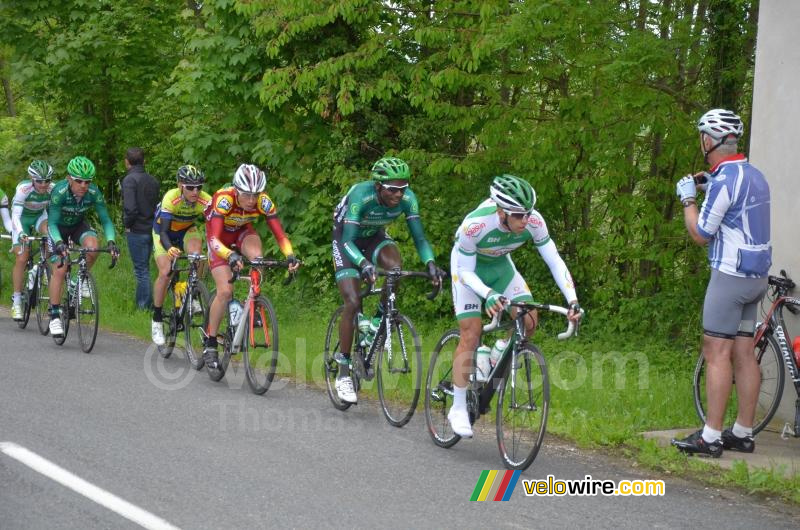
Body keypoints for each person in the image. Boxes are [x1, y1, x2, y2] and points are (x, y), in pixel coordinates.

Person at [447, 174, 582, 438]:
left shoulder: (535, 222)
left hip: (500, 268)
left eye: (528, 213)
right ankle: (458, 406)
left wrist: (572, 299)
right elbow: (465, 272)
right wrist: (487, 294)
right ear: (501, 212)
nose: (525, 220)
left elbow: (554, 260)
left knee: (529, 320)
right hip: (468, 272)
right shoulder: (475, 226)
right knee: (471, 333)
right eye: (518, 215)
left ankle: (495, 354)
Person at [672, 109, 771, 457]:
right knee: (744, 353)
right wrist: (706, 182)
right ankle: (743, 433)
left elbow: (701, 233)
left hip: (729, 279)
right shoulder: (754, 175)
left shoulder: (725, 181)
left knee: (716, 353)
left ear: (708, 140)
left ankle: (710, 437)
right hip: (756, 278)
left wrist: (688, 198)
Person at [330, 156, 445, 404]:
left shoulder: (408, 199)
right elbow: (348, 239)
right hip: (346, 240)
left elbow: (420, 239)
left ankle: (376, 321)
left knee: (395, 268)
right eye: (393, 189)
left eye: (403, 188)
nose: (399, 194)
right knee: (351, 301)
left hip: (374, 237)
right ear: (379, 186)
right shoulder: (362, 195)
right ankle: (343, 372)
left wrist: (431, 264)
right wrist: (363, 264)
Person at [203, 163, 300, 369]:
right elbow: (214, 240)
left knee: (257, 257)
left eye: (255, 195)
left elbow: (280, 235)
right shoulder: (224, 199)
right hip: (219, 239)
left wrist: (290, 256)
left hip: (241, 233)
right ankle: (210, 343)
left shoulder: (263, 202)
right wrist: (229, 256)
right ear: (237, 189)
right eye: (246, 195)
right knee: (225, 291)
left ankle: (253, 301)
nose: (251, 200)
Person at [47, 156, 119, 336]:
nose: (83, 186)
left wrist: (111, 241)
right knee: (60, 267)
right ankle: (55, 315)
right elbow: (52, 223)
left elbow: (106, 221)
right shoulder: (59, 192)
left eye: (87, 182)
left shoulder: (94, 193)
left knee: (93, 247)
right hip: (57, 228)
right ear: (69, 179)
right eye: (79, 181)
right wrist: (58, 243)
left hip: (78, 225)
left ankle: (75, 282)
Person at [150, 165, 211, 346]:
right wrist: (169, 248)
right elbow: (163, 233)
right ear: (180, 185)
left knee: (198, 256)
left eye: (199, 187)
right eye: (190, 187)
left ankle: (191, 293)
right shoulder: (171, 197)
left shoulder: (206, 200)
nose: (195, 191)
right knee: (166, 271)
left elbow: (216, 225)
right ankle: (157, 318)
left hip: (186, 230)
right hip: (164, 232)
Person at [9, 160, 55, 320]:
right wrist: (21, 232)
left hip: (39, 218)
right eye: (39, 181)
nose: (43, 184)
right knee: (22, 257)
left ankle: (40, 267)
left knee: (51, 236)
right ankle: (16, 301)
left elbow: (54, 214)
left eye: (47, 180)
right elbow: (15, 215)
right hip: (21, 220)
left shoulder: (53, 189)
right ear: (31, 178)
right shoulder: (23, 188)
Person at [122, 147, 160, 309]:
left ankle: (144, 306)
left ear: (127, 162)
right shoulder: (153, 180)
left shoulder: (129, 180)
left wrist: (127, 225)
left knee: (141, 271)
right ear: (144, 161)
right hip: (153, 229)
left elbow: (130, 208)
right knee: (154, 269)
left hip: (137, 230)